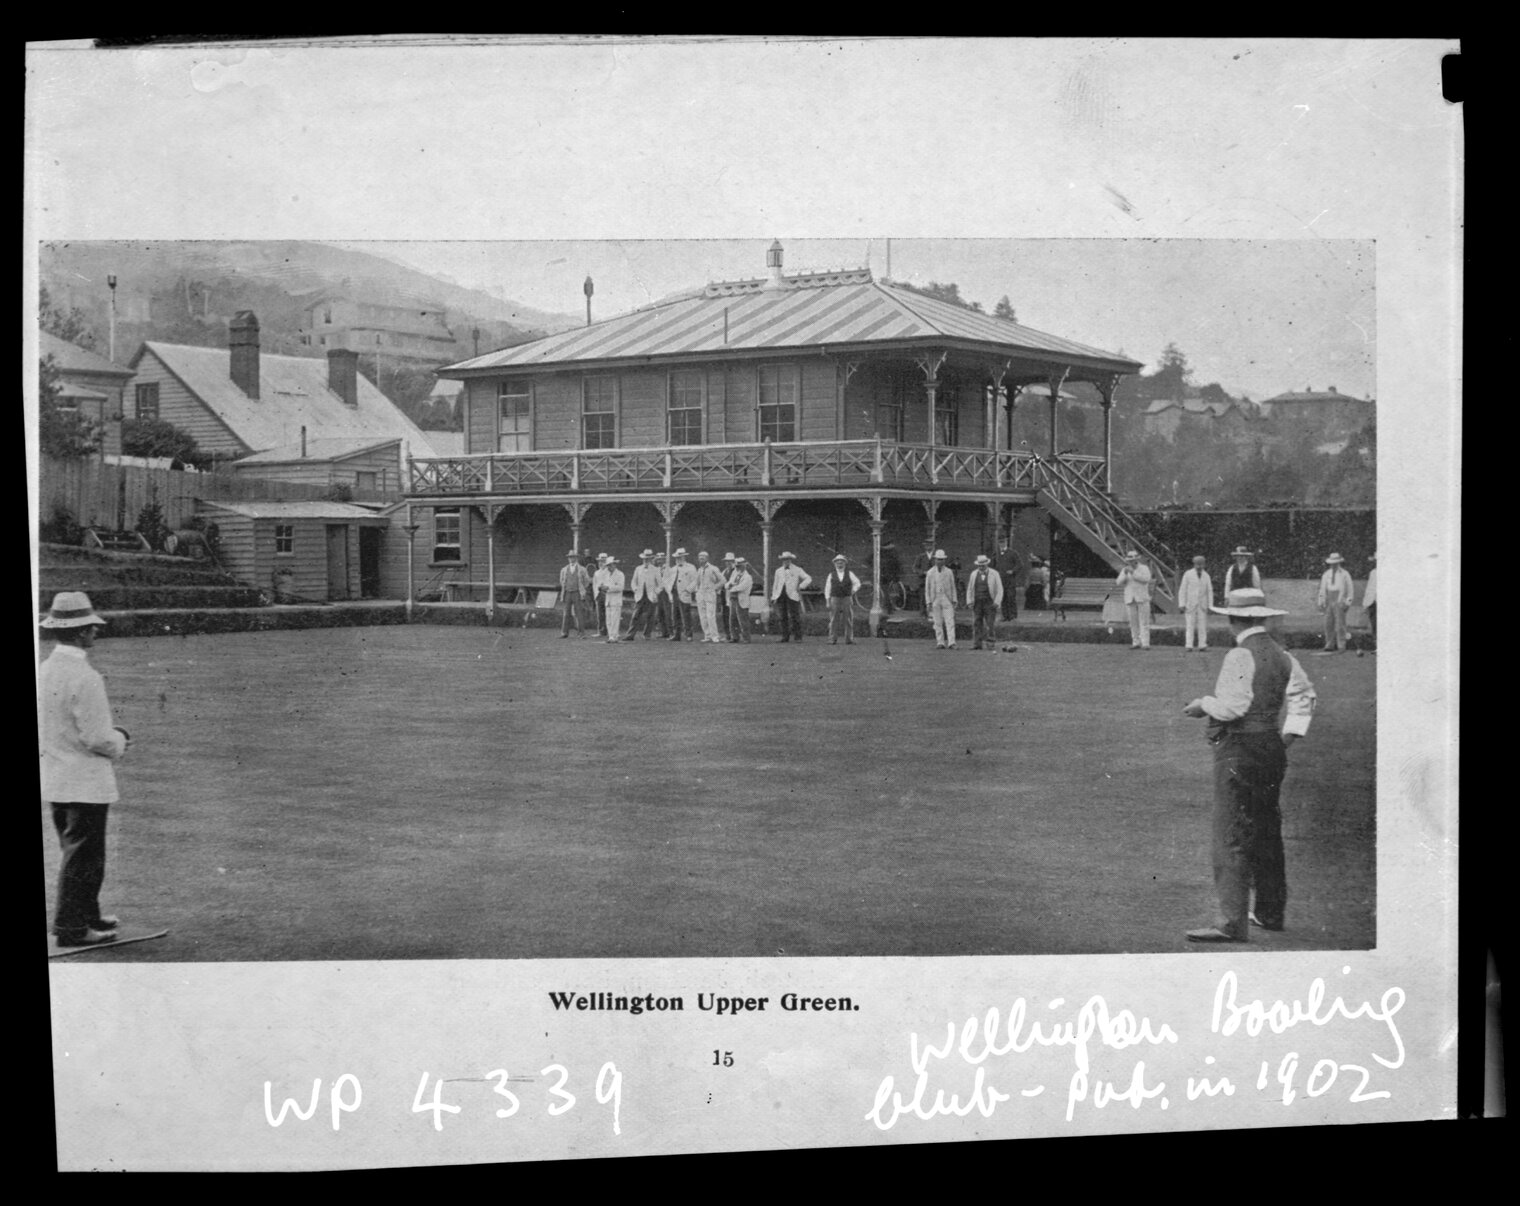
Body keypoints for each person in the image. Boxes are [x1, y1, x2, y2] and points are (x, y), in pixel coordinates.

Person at [1182, 587, 1316, 942]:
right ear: (1261, 618)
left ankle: (1231, 922)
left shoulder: (1240, 655)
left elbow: (1233, 707)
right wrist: (1286, 736)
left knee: (1231, 833)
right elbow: (1304, 696)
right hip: (1271, 746)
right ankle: (1270, 912)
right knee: (1267, 829)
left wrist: (1203, 703)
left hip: (1240, 748)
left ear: (1232, 620)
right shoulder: (1284, 655)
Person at [40, 592, 130, 947]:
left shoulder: (45, 670)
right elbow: (96, 737)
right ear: (79, 633)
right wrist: (120, 738)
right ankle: (72, 928)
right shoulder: (84, 676)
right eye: (91, 627)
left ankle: (87, 915)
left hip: (56, 776)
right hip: (84, 780)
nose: (95, 632)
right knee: (86, 857)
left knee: (77, 851)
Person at [1317, 552, 1355, 653]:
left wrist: (1348, 603)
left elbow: (1350, 590)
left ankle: (1341, 645)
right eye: (1332, 563)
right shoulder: (1326, 574)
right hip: (1329, 599)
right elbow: (1322, 589)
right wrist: (1321, 602)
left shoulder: (1345, 574)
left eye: (1336, 563)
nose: (1333, 565)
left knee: (1340, 624)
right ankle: (1329, 644)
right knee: (1328, 623)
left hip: (1339, 599)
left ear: (1339, 563)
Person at [770, 551, 812, 643]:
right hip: (780, 596)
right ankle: (785, 637)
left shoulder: (797, 569)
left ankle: (798, 637)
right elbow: (775, 584)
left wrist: (800, 586)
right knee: (782, 617)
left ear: (791, 560)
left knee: (795, 616)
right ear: (782, 560)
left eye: (788, 559)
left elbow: (808, 578)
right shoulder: (778, 571)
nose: (786, 561)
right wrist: (774, 597)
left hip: (792, 595)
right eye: (784, 559)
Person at [1117, 550, 1154, 649]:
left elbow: (1146, 579)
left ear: (1137, 560)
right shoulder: (1125, 569)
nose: (1131, 562)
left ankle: (1145, 643)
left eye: (1133, 560)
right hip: (1130, 598)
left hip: (1142, 598)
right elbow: (1118, 582)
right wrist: (1125, 574)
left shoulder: (1144, 568)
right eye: (1130, 561)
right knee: (1133, 622)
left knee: (1144, 621)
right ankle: (1135, 642)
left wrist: (1133, 573)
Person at [965, 554, 1004, 650]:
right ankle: (977, 644)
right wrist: (969, 601)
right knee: (976, 623)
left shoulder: (994, 574)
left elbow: (1000, 589)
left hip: (989, 602)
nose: (981, 567)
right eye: (979, 565)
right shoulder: (974, 574)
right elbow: (970, 588)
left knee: (990, 623)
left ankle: (990, 644)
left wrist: (997, 601)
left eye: (983, 565)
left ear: (987, 564)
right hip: (977, 601)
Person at [1177, 554, 1214, 652]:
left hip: (1202, 604)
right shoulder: (1188, 574)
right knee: (1190, 624)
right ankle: (1189, 645)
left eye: (1201, 564)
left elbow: (1209, 591)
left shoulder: (1206, 576)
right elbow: (1182, 589)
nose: (1199, 566)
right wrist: (1182, 604)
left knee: (1202, 625)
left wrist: (1210, 605)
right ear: (1194, 564)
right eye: (1197, 564)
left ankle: (1202, 645)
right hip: (1190, 604)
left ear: (1204, 565)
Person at [822, 553, 861, 645]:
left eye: (842, 562)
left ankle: (849, 639)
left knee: (848, 619)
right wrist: (827, 601)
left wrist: (852, 591)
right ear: (835, 564)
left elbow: (858, 583)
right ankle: (832, 639)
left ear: (845, 563)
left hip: (847, 598)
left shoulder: (850, 573)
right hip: (835, 598)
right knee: (833, 619)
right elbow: (827, 588)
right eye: (838, 562)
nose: (840, 564)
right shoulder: (831, 575)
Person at [924, 549, 958, 649]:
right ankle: (940, 642)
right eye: (938, 559)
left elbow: (953, 586)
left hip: (946, 597)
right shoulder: (930, 573)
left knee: (950, 621)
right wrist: (928, 602)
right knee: (937, 622)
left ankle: (952, 642)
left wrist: (954, 599)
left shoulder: (949, 572)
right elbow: (927, 588)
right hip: (935, 598)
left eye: (942, 559)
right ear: (935, 560)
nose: (940, 561)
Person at [627, 549, 663, 640]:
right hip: (640, 596)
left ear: (651, 559)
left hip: (651, 596)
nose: (646, 560)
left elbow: (660, 584)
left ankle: (647, 634)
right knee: (635, 616)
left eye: (648, 559)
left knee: (650, 616)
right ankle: (630, 635)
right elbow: (633, 582)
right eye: (644, 559)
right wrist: (635, 589)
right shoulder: (638, 569)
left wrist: (656, 592)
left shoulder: (655, 570)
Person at [694, 551, 728, 642]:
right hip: (701, 595)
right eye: (700, 558)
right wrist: (697, 592)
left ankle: (715, 636)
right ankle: (707, 636)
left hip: (710, 595)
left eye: (703, 558)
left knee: (710, 616)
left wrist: (714, 588)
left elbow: (723, 580)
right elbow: (697, 583)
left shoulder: (713, 568)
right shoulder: (699, 570)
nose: (701, 559)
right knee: (703, 616)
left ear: (707, 558)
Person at [558, 549, 592, 638]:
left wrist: (581, 588)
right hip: (567, 593)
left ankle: (581, 633)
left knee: (579, 613)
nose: (571, 559)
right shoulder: (564, 569)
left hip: (577, 593)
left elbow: (587, 581)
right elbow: (562, 581)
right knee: (566, 613)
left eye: (573, 557)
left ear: (576, 558)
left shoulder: (582, 569)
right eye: (569, 557)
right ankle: (564, 633)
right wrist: (566, 587)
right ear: (568, 558)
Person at [669, 548, 699, 642]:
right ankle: (676, 635)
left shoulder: (691, 567)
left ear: (684, 557)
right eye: (677, 557)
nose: (678, 559)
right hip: (674, 593)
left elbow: (695, 581)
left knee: (685, 615)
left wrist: (688, 590)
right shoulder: (673, 569)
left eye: (680, 557)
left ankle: (689, 635)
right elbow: (669, 581)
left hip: (684, 593)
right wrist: (670, 590)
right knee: (675, 615)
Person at [726, 556, 754, 643]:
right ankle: (735, 637)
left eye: (740, 566)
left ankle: (746, 638)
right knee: (732, 619)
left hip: (741, 599)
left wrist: (731, 587)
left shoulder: (747, 577)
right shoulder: (735, 574)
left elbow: (741, 587)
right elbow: (727, 584)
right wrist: (730, 585)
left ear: (744, 566)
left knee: (743, 620)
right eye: (737, 566)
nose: (738, 568)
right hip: (733, 599)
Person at [601, 558, 626, 642]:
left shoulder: (620, 574)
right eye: (608, 565)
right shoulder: (606, 575)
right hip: (608, 600)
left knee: (615, 619)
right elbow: (604, 585)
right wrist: (602, 588)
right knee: (608, 619)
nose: (609, 567)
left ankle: (614, 636)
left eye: (610, 565)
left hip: (616, 600)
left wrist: (608, 588)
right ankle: (610, 635)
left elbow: (620, 587)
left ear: (615, 565)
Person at [994, 544, 1021, 620]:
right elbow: (994, 565)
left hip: (1010, 580)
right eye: (1000, 542)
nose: (1001, 545)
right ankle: (1005, 616)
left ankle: (1013, 615)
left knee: (1011, 597)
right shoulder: (996, 554)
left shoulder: (1013, 553)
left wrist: (1013, 571)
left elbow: (1019, 564)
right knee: (1003, 598)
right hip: (1001, 579)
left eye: (1003, 542)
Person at [911, 540, 936, 616]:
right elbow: (915, 568)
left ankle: (933, 613)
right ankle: (923, 614)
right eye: (927, 545)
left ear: (933, 546)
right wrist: (922, 572)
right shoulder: (921, 557)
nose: (929, 547)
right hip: (923, 580)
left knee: (934, 597)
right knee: (923, 598)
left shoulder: (936, 556)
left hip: (934, 580)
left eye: (931, 545)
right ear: (925, 547)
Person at [878, 539, 903, 614]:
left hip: (890, 577)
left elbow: (897, 566)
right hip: (885, 576)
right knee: (887, 593)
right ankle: (889, 609)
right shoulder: (881, 554)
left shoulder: (892, 555)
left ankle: (890, 607)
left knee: (890, 593)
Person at [1361, 553, 1378, 651]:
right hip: (1373, 602)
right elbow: (1370, 588)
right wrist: (1365, 603)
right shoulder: (1373, 572)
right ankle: (1377, 646)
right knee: (1374, 625)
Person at [592, 553, 611, 636]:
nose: (601, 563)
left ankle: (610, 631)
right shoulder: (596, 573)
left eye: (603, 561)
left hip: (607, 594)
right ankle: (601, 631)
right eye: (600, 561)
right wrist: (595, 594)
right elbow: (594, 584)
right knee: (600, 614)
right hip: (598, 595)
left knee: (609, 613)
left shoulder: (610, 572)